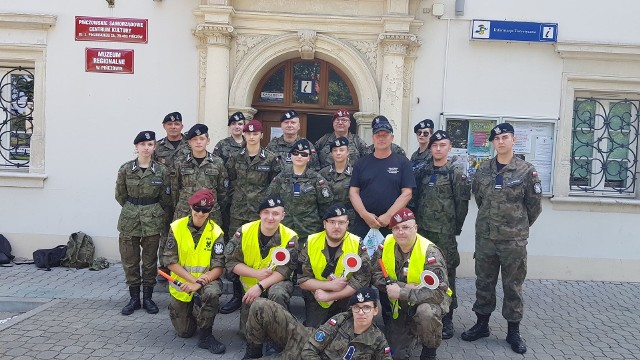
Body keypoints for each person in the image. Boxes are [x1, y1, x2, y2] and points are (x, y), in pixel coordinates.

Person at [461, 123, 542, 354]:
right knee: (484, 283)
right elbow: (480, 200)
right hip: (486, 239)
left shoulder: (526, 171)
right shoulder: (483, 169)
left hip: (513, 242)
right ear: (493, 143)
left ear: (513, 140)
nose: (501, 142)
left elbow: (534, 207)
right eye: (497, 139)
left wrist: (517, 227)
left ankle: (513, 331)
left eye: (505, 137)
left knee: (512, 286)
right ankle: (482, 324)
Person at [371, 208, 451, 360]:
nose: (400, 232)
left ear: (415, 228)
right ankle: (414, 332)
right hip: (401, 305)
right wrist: (403, 286)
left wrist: (401, 292)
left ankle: (429, 350)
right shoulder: (386, 244)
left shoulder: (430, 252)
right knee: (395, 355)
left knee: (425, 313)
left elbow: (438, 293)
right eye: (396, 228)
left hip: (431, 301)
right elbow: (375, 274)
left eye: (406, 227)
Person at [220, 119, 281, 315]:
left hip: (261, 215)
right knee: (236, 254)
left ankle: (261, 292)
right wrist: (234, 198)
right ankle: (238, 295)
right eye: (248, 133)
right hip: (238, 213)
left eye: (256, 133)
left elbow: (275, 186)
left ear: (261, 135)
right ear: (244, 135)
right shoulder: (234, 157)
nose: (252, 136)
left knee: (260, 253)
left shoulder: (271, 158)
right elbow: (227, 181)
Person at [414, 130, 470, 339]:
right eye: (435, 145)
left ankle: (447, 318)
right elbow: (415, 198)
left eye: (442, 145)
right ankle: (422, 314)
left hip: (445, 234)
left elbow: (461, 206)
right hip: (423, 233)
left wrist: (454, 229)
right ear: (430, 148)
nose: (438, 149)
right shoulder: (422, 171)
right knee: (422, 273)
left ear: (449, 148)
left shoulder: (455, 173)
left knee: (447, 276)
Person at [224, 196, 298, 343]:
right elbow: (231, 262)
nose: (270, 218)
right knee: (246, 334)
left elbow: (285, 271)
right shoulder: (244, 231)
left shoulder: (290, 237)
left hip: (275, 284)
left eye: (276, 214)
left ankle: (277, 338)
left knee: (277, 294)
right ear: (260, 214)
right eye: (266, 212)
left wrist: (260, 285)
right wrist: (256, 274)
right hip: (250, 287)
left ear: (283, 215)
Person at [243, 288, 392, 360]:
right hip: (303, 341)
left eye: (366, 308)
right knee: (260, 305)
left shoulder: (379, 342)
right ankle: (254, 350)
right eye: (357, 308)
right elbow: (309, 350)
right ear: (351, 309)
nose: (361, 312)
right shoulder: (341, 319)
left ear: (375, 311)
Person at [162, 189, 226, 354]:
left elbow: (219, 266)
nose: (200, 213)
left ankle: (206, 336)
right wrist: (191, 281)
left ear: (210, 210)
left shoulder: (216, 232)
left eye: (205, 210)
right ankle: (196, 308)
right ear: (190, 207)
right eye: (197, 208)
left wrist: (198, 283)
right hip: (182, 283)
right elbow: (169, 261)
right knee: (185, 332)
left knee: (212, 293)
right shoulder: (177, 227)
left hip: (206, 281)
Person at [115, 131, 171, 316]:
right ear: (136, 147)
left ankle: (148, 298)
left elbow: (165, 198)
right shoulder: (125, 169)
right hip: (129, 220)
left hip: (152, 221)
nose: (146, 148)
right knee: (130, 261)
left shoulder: (162, 171)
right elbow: (120, 195)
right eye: (143, 144)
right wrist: (134, 208)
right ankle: (133, 299)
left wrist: (151, 211)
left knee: (149, 262)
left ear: (154, 147)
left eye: (150, 144)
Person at [298, 203, 371, 328]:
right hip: (318, 296)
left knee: (346, 333)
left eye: (341, 222)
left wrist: (331, 295)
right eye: (332, 222)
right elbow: (302, 279)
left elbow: (361, 281)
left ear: (347, 224)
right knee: (314, 335)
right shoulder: (311, 242)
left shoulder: (357, 244)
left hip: (347, 298)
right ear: (324, 224)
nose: (336, 226)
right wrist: (329, 286)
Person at [349, 115, 415, 239]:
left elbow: (407, 193)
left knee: (389, 258)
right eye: (378, 135)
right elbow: (353, 192)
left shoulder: (403, 162)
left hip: (393, 225)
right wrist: (365, 215)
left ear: (392, 138)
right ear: (373, 138)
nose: (381, 139)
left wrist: (388, 216)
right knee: (362, 258)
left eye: (385, 135)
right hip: (363, 225)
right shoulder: (361, 163)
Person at [266, 139, 333, 243]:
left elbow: (326, 207)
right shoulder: (281, 178)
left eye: (303, 154)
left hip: (310, 232)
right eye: (296, 153)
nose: (299, 156)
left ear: (309, 158)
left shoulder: (317, 180)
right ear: (291, 156)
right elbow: (270, 202)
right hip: (284, 230)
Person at [154, 111, 191, 280]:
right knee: (165, 231)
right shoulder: (158, 147)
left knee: (184, 231)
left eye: (177, 124)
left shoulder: (190, 145)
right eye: (170, 124)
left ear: (182, 126)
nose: (173, 127)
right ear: (164, 126)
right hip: (164, 196)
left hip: (184, 196)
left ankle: (183, 264)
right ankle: (165, 265)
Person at [173, 124, 228, 225]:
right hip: (185, 212)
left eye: (202, 138)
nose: (198, 142)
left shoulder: (217, 162)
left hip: (210, 212)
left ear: (208, 141)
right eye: (194, 139)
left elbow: (222, 192)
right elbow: (175, 189)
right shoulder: (180, 162)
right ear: (189, 142)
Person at [319, 137, 356, 230]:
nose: (338, 153)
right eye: (335, 150)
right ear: (331, 153)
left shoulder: (355, 173)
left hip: (348, 218)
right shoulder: (323, 173)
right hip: (328, 217)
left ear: (348, 152)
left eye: (341, 150)